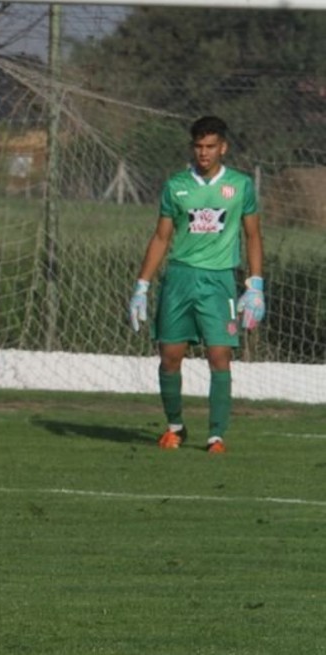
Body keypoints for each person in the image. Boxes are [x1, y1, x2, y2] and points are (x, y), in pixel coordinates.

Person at [128, 115, 264, 455]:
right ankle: (175, 427)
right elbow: (161, 237)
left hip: (218, 281)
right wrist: (141, 286)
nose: (203, 153)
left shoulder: (241, 186)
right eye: (198, 146)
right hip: (179, 278)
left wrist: (255, 283)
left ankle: (216, 436)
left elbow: (253, 235)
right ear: (193, 147)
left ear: (223, 148)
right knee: (170, 356)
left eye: (210, 147)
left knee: (219, 355)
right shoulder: (176, 186)